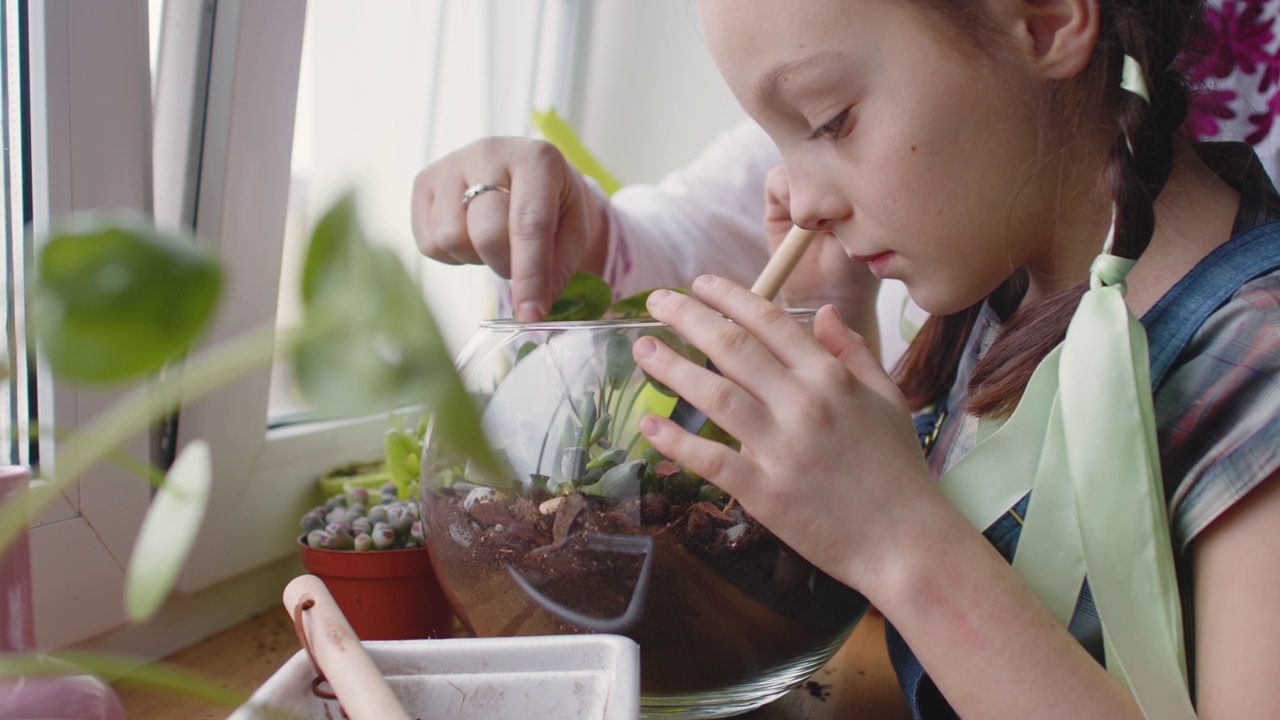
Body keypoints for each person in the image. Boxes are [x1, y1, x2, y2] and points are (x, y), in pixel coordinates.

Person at [412, 1, 1280, 716]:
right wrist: (844, 326)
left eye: (829, 121)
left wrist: (900, 537)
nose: (805, 197)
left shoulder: (1255, 371)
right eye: (777, 140)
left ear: (1047, 20)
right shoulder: (1004, 277)